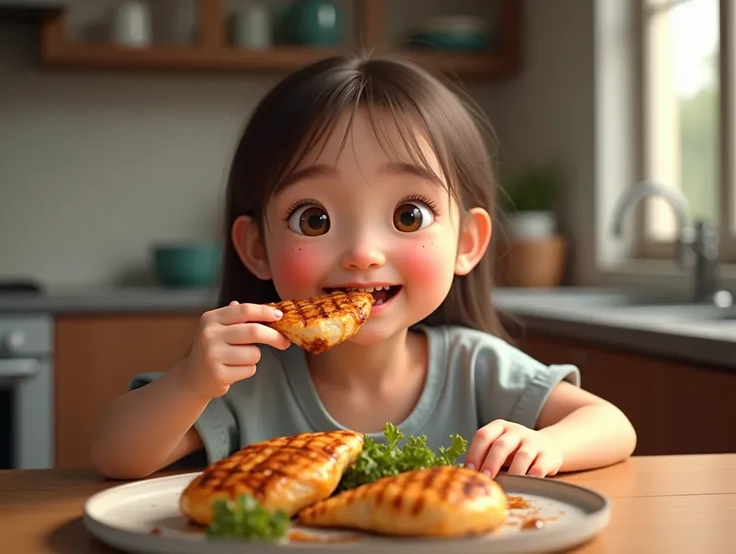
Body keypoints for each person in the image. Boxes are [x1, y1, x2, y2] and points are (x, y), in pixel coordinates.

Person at [90, 54, 637, 482]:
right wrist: (191, 380)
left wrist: (549, 445)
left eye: (407, 214)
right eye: (314, 218)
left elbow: (613, 425)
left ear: (466, 242)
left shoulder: (477, 368)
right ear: (255, 247)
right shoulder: (246, 379)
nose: (362, 252)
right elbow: (117, 455)